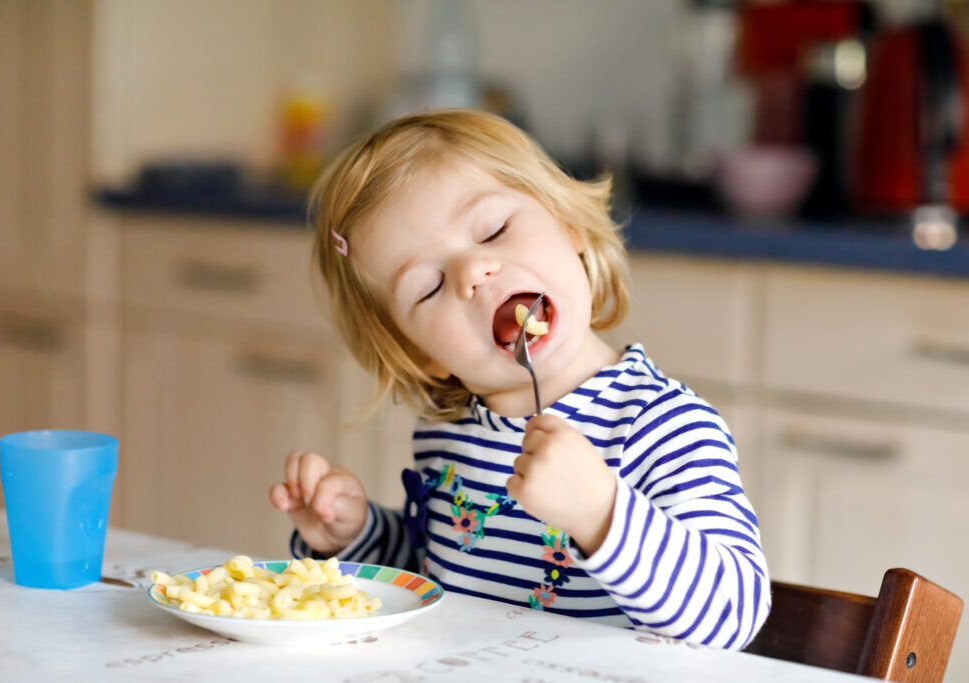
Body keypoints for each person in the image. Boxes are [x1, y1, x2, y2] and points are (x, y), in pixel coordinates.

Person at [269, 109, 770, 649]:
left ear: (568, 223)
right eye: (428, 287)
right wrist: (355, 536)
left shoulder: (662, 426)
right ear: (423, 354)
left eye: (493, 230)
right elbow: (438, 578)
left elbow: (733, 616)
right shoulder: (448, 435)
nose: (472, 274)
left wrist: (601, 513)